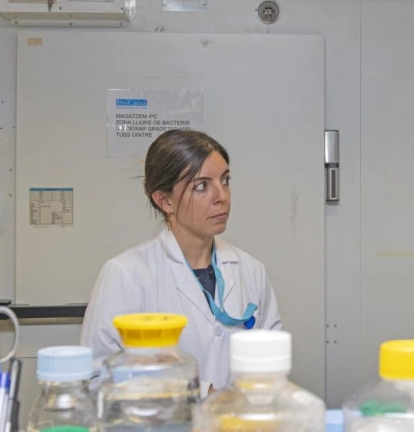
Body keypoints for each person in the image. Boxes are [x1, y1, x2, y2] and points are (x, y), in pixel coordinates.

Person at [80, 130, 282, 394]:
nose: (221, 196)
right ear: (165, 201)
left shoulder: (251, 270)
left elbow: (273, 364)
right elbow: (97, 380)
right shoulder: (127, 274)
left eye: (225, 180)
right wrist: (199, 394)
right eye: (202, 186)